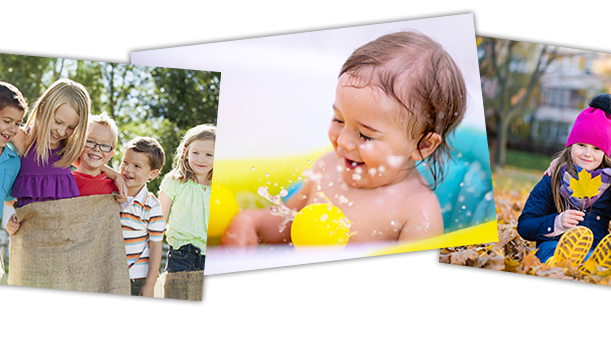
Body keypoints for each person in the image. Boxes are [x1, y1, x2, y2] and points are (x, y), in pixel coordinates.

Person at [221, 31, 467, 246]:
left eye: (365, 135)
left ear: (422, 145)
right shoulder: (328, 167)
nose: (342, 142)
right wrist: (251, 222)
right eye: (339, 120)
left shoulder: (417, 211)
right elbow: (286, 223)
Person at [516, 94, 611, 271]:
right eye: (581, 145)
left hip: (594, 248)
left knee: (594, 261)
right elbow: (525, 225)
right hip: (554, 244)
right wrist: (557, 221)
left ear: (605, 153)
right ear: (571, 145)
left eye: (597, 148)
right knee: (551, 254)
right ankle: (563, 263)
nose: (588, 154)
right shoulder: (553, 178)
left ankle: (596, 264)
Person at [9, 79, 123, 208]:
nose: (62, 132)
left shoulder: (66, 151)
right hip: (31, 219)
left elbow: (89, 164)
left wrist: (117, 176)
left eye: (71, 127)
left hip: (65, 219)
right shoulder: (23, 140)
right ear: (42, 108)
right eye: (58, 122)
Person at [160, 124, 214, 300]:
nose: (201, 159)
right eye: (195, 152)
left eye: (209, 155)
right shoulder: (174, 181)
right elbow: (159, 221)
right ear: (186, 152)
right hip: (180, 255)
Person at [119, 137, 167, 296]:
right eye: (125, 162)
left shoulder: (151, 206)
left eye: (137, 166)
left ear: (152, 174)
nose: (128, 169)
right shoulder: (112, 193)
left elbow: (156, 246)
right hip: (110, 273)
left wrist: (150, 284)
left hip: (136, 277)